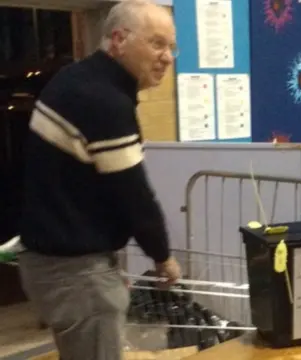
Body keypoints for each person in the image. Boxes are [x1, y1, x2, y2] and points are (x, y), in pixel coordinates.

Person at [18, 1, 181, 359]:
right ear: (119, 39)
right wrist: (162, 256)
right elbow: (134, 195)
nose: (167, 57)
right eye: (157, 43)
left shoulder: (76, 79)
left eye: (171, 46)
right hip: (75, 272)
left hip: (53, 263)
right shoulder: (104, 100)